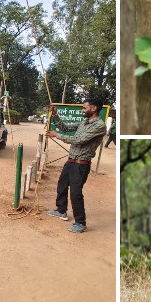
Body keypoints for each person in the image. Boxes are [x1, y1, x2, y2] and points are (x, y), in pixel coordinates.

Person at [45, 98, 107, 233]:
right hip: (71, 161)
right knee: (61, 185)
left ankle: (80, 222)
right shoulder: (84, 122)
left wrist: (57, 135)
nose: (82, 110)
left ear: (94, 108)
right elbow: (65, 128)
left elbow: (79, 140)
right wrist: (55, 114)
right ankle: (61, 210)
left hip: (81, 164)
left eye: (85, 108)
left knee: (75, 193)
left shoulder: (99, 126)